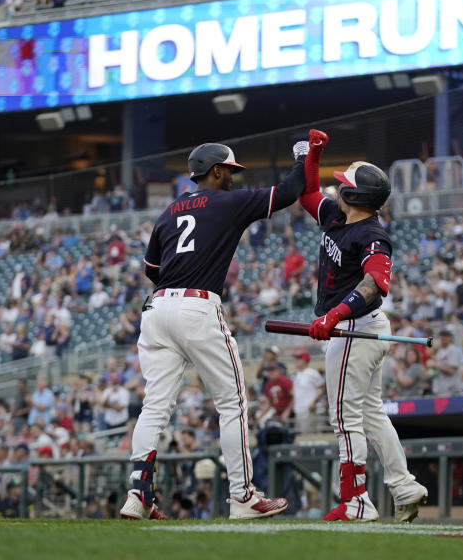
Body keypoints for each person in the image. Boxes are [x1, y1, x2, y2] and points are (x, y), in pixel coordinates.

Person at [121, 141, 306, 521]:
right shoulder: (227, 202)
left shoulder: (169, 210)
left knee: (155, 405)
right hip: (196, 306)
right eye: (230, 171)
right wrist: (304, 158)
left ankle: (138, 495)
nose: (232, 178)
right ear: (216, 171)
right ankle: (243, 496)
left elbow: (151, 271)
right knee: (233, 402)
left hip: (157, 309)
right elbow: (289, 192)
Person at [298, 129, 427, 522]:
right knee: (371, 413)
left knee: (344, 416)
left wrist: (334, 315)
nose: (337, 190)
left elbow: (376, 286)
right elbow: (306, 195)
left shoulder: (372, 233)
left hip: (355, 329)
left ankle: (356, 502)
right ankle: (404, 487)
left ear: (354, 197)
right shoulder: (339, 216)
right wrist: (313, 157)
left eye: (343, 187)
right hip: (358, 330)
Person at [292, 352, 325, 434]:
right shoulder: (297, 374)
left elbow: (322, 388)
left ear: (304, 361)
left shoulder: (311, 373)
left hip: (308, 410)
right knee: (300, 438)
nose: (296, 361)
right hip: (298, 410)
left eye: (299, 359)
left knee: (308, 437)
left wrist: (314, 402)